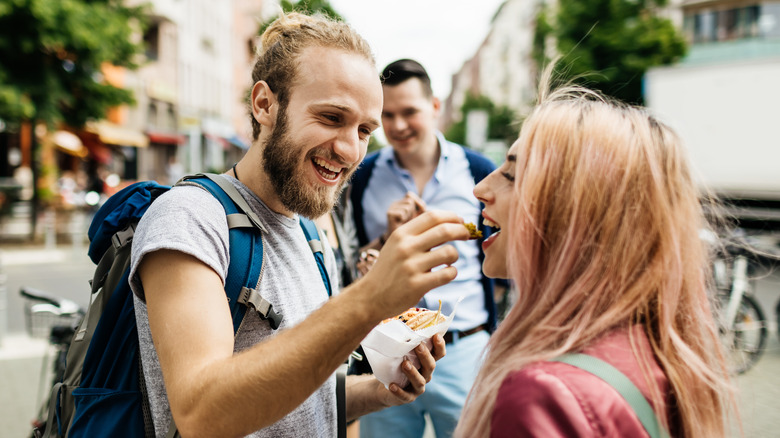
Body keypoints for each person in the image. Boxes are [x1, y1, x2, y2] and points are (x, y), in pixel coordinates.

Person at [130, 13, 471, 438]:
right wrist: (368, 299)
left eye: (365, 129)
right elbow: (202, 414)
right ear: (264, 105)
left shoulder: (309, 232)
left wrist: (382, 390)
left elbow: (308, 395)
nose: (349, 150)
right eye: (331, 117)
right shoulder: (190, 218)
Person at [455, 72, 735, 437]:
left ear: (573, 210)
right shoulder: (662, 353)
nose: (480, 189)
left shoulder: (543, 394)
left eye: (511, 174)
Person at [351, 59, 502, 438]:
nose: (398, 126)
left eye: (409, 112)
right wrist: (389, 240)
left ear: (434, 107)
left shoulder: (477, 170)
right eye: (388, 115)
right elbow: (354, 260)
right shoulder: (362, 176)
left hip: (464, 349)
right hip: (389, 351)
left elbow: (500, 254)